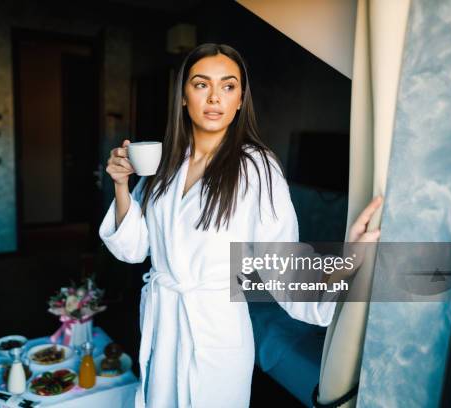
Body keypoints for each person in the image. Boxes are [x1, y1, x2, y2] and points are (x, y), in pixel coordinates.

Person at [99, 43, 382, 408]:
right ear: (184, 96)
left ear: (239, 99)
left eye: (228, 86)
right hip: (163, 325)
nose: (215, 96)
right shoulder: (165, 163)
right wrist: (122, 185)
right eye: (201, 84)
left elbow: (281, 264)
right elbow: (134, 249)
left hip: (215, 331)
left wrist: (348, 258)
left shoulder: (256, 167)